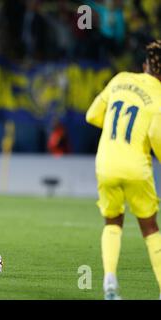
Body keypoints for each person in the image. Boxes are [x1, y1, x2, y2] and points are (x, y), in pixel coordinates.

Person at [86, 40, 161, 300]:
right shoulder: (159, 95)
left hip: (106, 163)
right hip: (136, 167)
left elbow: (92, 116)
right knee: (150, 228)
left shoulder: (120, 79)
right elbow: (155, 135)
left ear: (144, 66)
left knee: (113, 222)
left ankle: (109, 283)